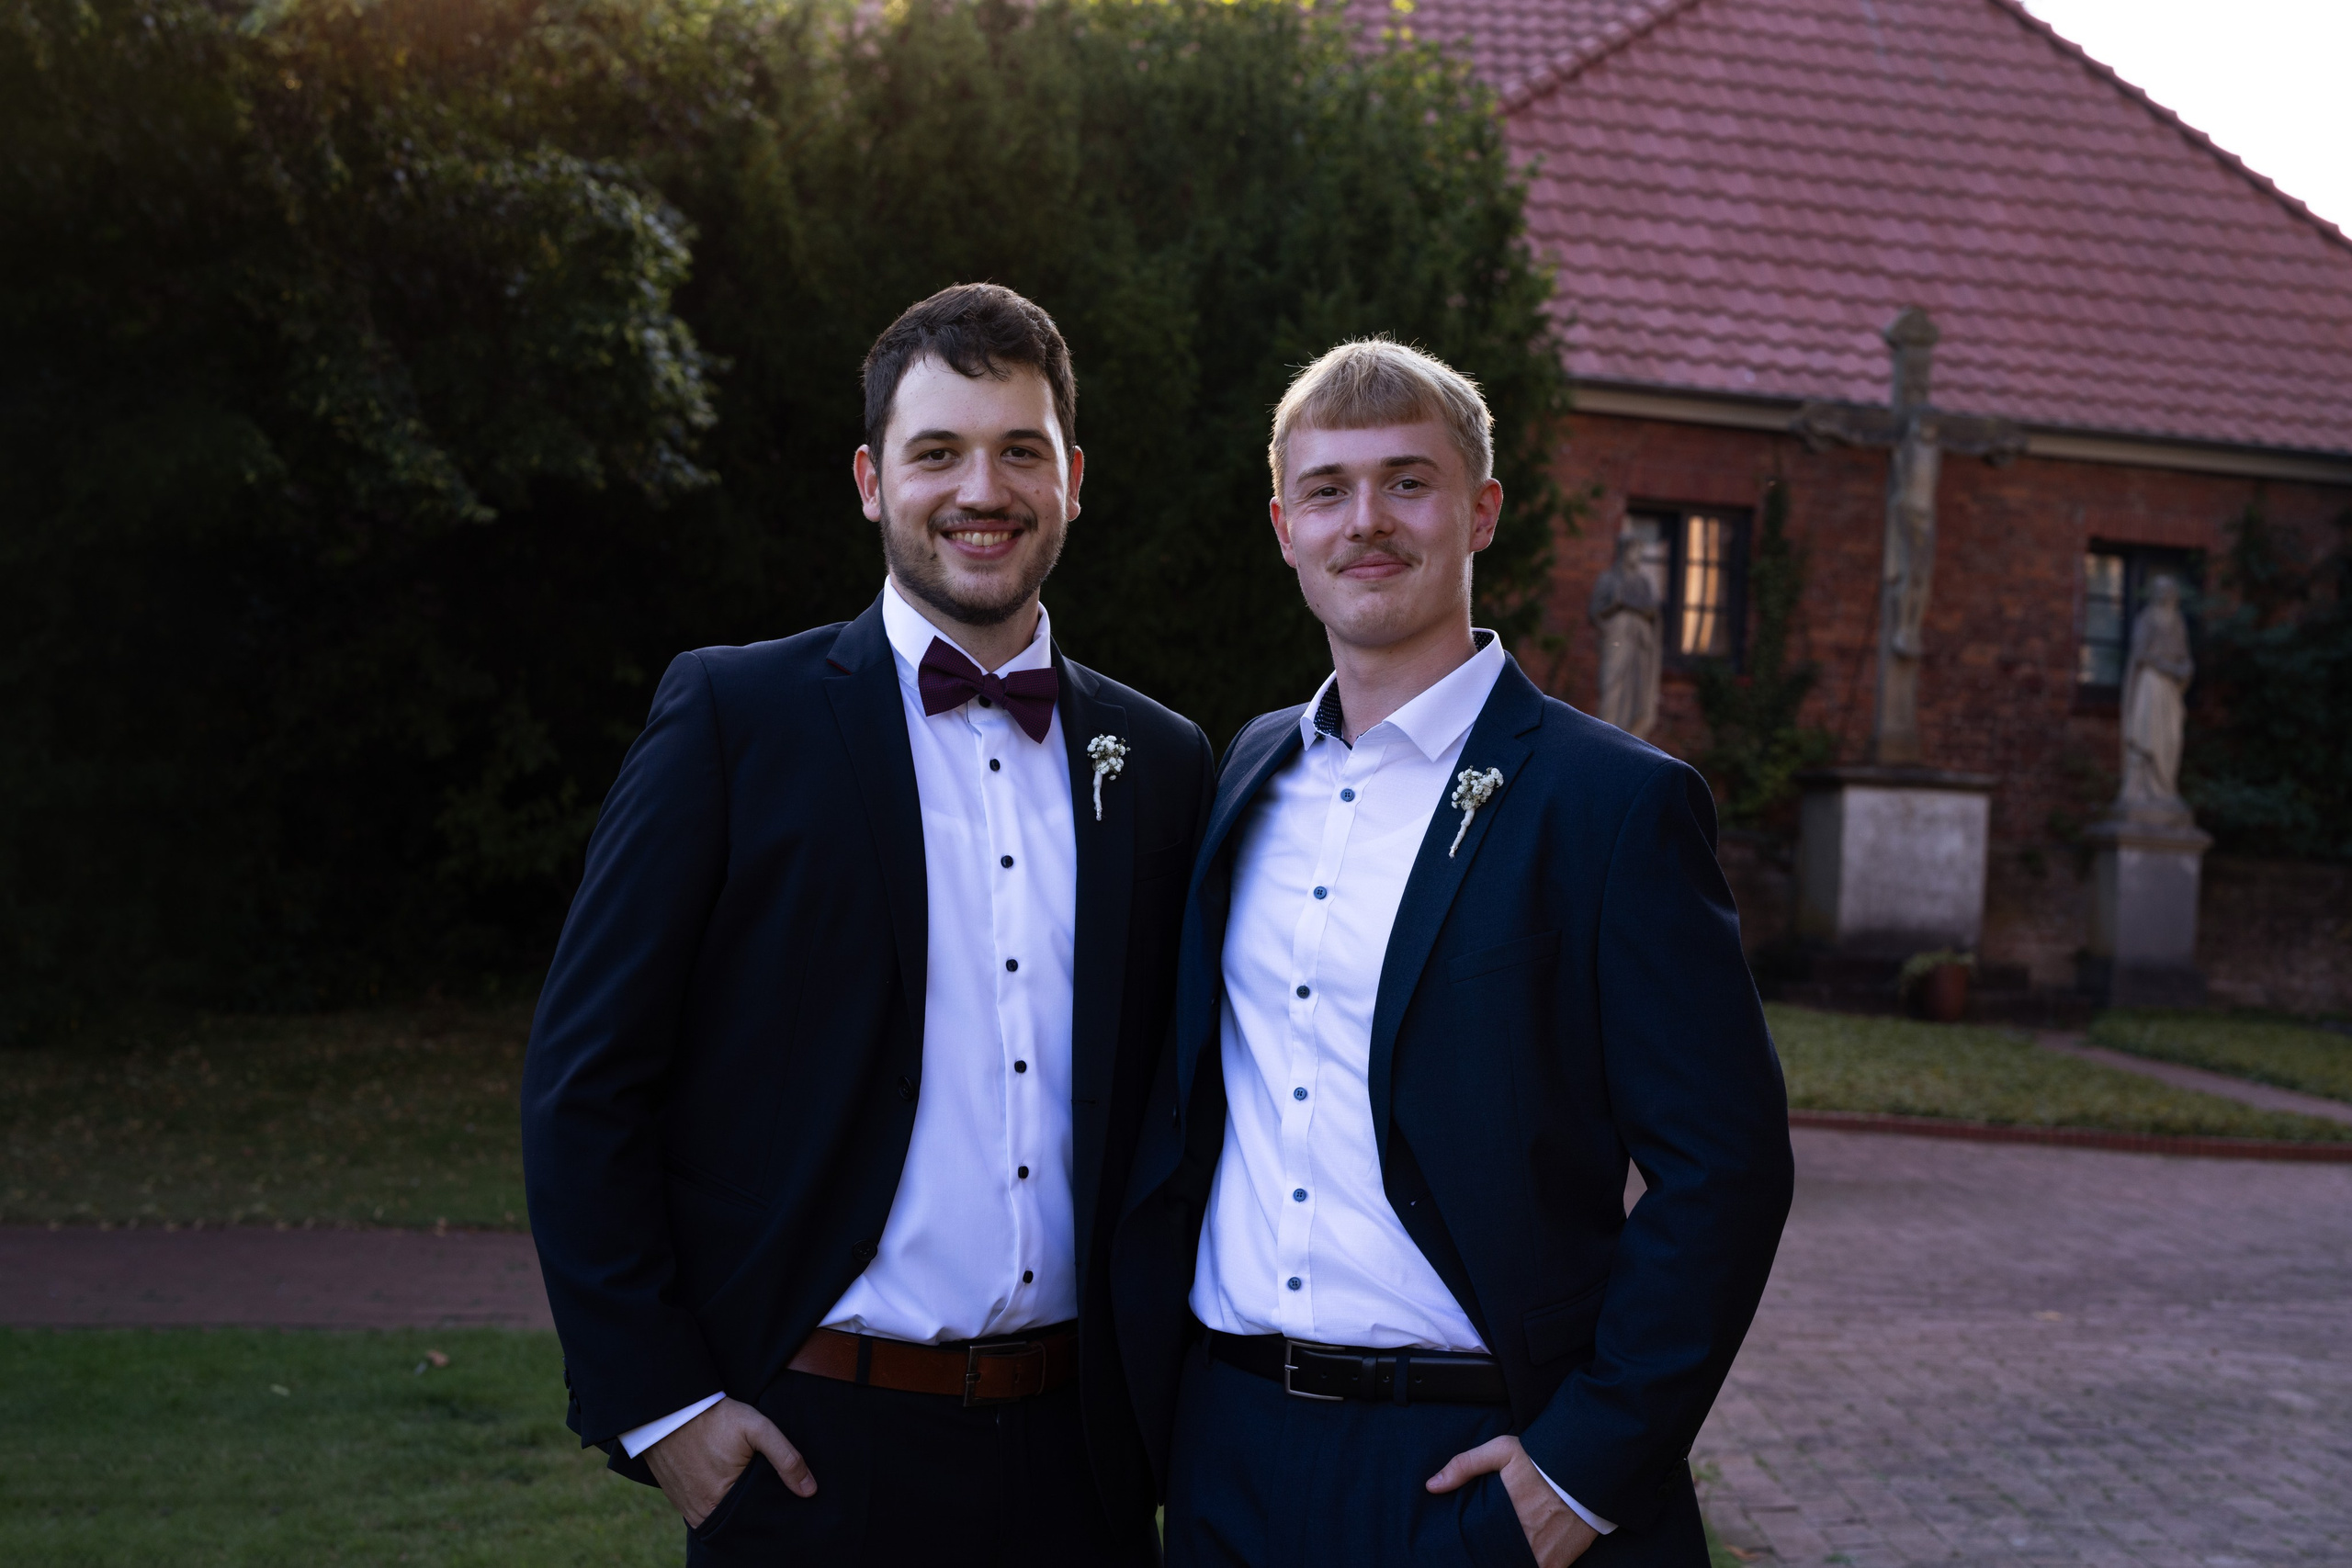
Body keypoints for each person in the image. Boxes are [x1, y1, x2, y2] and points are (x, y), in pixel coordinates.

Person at [522, 282, 1213, 1565]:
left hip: (1082, 1465)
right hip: (813, 1455)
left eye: (1021, 452)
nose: (981, 491)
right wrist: (664, 1409)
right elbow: (584, 1084)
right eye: (936, 452)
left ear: (1074, 481)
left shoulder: (1161, 763)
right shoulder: (735, 722)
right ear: (869, 480)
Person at [1113, 339, 1794, 1568]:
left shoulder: (1611, 805)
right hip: (1227, 1450)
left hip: (1467, 1462)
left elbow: (1726, 1169)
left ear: (1481, 512)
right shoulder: (1247, 772)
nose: (1366, 521)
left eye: (1408, 482)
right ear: (1284, 529)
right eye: (1328, 490)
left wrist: (1584, 1467)